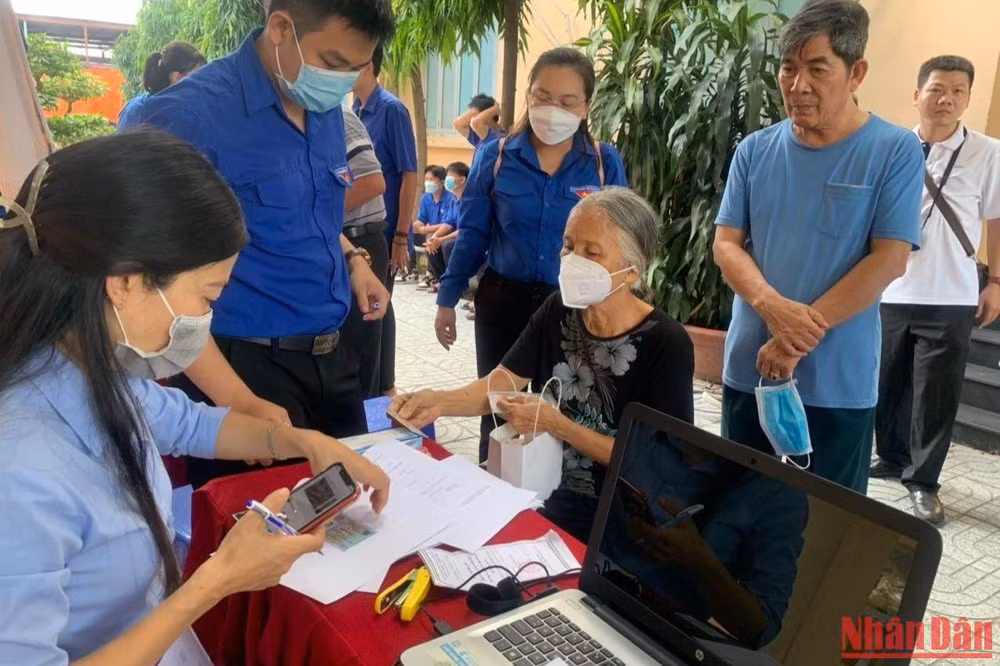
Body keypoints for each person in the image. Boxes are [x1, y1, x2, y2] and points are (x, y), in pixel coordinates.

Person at [0, 132, 390, 665]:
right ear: (125, 282)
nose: (205, 322)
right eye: (207, 297)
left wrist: (300, 441)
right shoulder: (19, 468)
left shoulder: (91, 366)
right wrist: (218, 581)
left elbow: (191, 425)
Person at [122, 0, 396, 487]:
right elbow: (149, 284)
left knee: (352, 515)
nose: (343, 82)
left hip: (332, 356)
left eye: (356, 69)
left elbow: (307, 208)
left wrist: (354, 260)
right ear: (281, 27)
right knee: (262, 535)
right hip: (242, 366)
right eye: (333, 64)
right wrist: (237, 402)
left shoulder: (324, 107)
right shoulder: (189, 117)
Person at [394, 187, 694, 540]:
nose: (572, 260)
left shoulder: (666, 343)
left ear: (631, 271)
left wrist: (558, 424)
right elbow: (505, 379)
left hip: (622, 517)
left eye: (591, 252)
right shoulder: (559, 311)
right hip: (543, 489)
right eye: (568, 246)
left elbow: (660, 461)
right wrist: (440, 402)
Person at [712, 0, 924, 494]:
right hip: (752, 369)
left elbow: (889, 259)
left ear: (856, 73)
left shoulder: (893, 150)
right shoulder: (755, 150)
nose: (797, 85)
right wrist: (770, 306)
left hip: (837, 383)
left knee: (827, 531)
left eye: (816, 69)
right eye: (788, 68)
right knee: (733, 516)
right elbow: (727, 245)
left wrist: (792, 339)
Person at [434, 47, 627, 461]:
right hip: (505, 301)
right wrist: (446, 300)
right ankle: (498, 495)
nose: (552, 109)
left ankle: (559, 506)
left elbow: (623, 241)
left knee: (566, 410)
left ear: (586, 106)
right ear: (527, 96)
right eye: (542, 96)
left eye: (566, 101)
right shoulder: (497, 156)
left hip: (576, 306)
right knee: (501, 405)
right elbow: (472, 234)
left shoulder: (601, 162)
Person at [872, 56, 1000, 524]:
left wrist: (997, 284)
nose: (947, 99)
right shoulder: (891, 146)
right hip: (890, 287)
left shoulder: (988, 152)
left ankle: (923, 481)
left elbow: (996, 220)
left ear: (967, 98)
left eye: (958, 91)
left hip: (951, 292)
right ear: (917, 94)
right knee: (888, 381)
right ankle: (890, 457)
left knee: (936, 392)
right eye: (937, 89)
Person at [353, 43, 418, 396]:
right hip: (357, 229)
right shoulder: (355, 110)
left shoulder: (391, 110)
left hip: (384, 229)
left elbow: (409, 174)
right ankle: (381, 387)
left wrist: (402, 235)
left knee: (379, 306)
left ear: (365, 64)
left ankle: (384, 387)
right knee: (378, 307)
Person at [340, 107, 389, 398]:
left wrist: (308, 216)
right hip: (335, 242)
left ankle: (368, 433)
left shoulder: (337, 117)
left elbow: (372, 181)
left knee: (358, 353)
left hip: (360, 242)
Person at [117, 41, 206, 127]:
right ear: (177, 77)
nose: (202, 84)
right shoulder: (152, 113)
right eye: (197, 78)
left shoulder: (137, 107)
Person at [426, 161, 470, 288]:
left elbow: (465, 228)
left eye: (449, 177)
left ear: (462, 180)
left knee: (446, 245)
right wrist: (435, 236)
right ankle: (443, 279)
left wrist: (441, 239)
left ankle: (457, 283)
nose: (446, 181)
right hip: (457, 234)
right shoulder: (454, 199)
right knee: (430, 240)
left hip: (468, 235)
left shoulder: (469, 201)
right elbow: (449, 223)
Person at [412, 164, 454, 289]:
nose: (427, 182)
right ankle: (416, 271)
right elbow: (421, 220)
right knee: (412, 235)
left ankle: (442, 278)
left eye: (431, 179)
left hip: (447, 232)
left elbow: (448, 224)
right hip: (433, 231)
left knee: (431, 239)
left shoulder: (450, 198)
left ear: (441, 183)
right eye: (426, 179)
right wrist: (415, 226)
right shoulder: (426, 198)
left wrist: (425, 230)